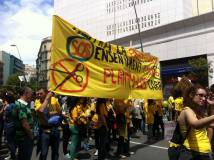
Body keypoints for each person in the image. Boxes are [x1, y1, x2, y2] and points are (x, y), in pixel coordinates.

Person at [168, 84, 214, 160]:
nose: (204, 98)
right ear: (191, 95)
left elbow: (211, 125)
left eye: (205, 96)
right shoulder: (187, 110)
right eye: (200, 95)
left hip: (204, 152)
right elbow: (195, 124)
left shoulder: (200, 111)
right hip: (191, 153)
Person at [35, 88, 61, 160]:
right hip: (44, 130)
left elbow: (59, 111)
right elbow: (40, 111)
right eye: (38, 94)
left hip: (55, 129)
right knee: (44, 152)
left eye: (41, 93)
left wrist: (54, 117)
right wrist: (46, 99)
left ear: (46, 93)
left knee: (55, 151)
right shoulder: (37, 102)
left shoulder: (54, 100)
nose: (39, 95)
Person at [14, 87, 33, 160]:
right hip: (24, 137)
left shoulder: (18, 103)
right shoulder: (21, 106)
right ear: (26, 93)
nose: (32, 96)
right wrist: (31, 135)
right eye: (31, 94)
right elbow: (25, 124)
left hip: (20, 137)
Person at [2, 91, 16, 160]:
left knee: (10, 142)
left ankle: (13, 156)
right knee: (13, 141)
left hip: (8, 126)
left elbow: (4, 117)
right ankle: (12, 154)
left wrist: (4, 107)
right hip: (14, 125)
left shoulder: (8, 107)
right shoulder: (15, 105)